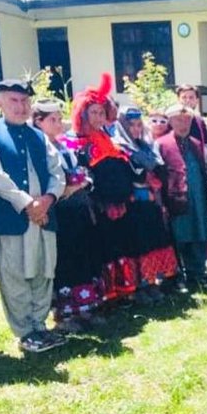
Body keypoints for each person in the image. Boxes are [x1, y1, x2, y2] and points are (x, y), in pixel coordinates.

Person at [0, 78, 66, 354]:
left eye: (25, 100)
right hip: (11, 218)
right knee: (14, 275)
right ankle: (25, 332)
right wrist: (27, 204)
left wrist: (48, 199)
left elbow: (57, 172)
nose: (20, 106)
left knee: (42, 270)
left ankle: (39, 325)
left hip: (44, 216)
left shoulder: (38, 135)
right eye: (13, 100)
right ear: (0, 103)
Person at [32, 98, 104, 330]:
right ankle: (65, 314)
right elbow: (44, 183)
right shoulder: (38, 149)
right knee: (65, 261)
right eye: (52, 120)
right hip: (60, 214)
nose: (58, 124)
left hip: (79, 212)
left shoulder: (65, 146)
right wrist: (65, 189)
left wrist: (82, 182)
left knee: (84, 257)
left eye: (59, 118)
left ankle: (85, 309)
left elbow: (84, 171)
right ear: (38, 122)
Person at [70, 80, 137, 305]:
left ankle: (122, 291)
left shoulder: (107, 137)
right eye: (94, 113)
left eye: (101, 112)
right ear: (82, 114)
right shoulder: (77, 142)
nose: (99, 117)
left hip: (118, 205)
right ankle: (104, 296)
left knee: (119, 246)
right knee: (102, 250)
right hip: (97, 208)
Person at [114, 107, 179, 303]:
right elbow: (129, 177)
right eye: (130, 125)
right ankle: (138, 287)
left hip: (150, 202)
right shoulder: (119, 147)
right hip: (132, 205)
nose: (134, 129)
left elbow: (157, 170)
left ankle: (151, 282)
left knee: (153, 242)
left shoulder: (146, 146)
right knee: (137, 246)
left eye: (137, 125)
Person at [157, 103, 207, 292]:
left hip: (198, 198)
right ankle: (177, 276)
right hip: (175, 200)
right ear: (171, 121)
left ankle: (197, 273)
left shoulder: (197, 144)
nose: (183, 124)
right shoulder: (162, 144)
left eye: (187, 119)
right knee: (178, 237)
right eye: (179, 120)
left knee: (199, 234)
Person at [176, 83, 207, 155]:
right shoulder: (171, 120)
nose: (187, 100)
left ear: (197, 100)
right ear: (178, 100)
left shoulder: (200, 121)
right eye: (184, 97)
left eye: (191, 97)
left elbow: (205, 145)